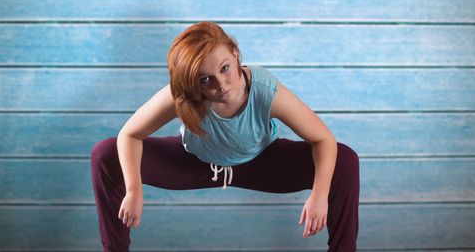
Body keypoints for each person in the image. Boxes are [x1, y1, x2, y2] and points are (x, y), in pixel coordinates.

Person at [91, 21, 359, 252]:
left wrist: (320, 195)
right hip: (197, 163)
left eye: (224, 68)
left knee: (344, 159)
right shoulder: (182, 96)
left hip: (259, 162)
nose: (221, 85)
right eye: (205, 80)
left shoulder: (264, 90)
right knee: (106, 154)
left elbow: (323, 139)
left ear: (235, 54)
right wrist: (134, 188)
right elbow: (129, 134)